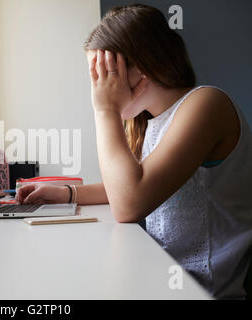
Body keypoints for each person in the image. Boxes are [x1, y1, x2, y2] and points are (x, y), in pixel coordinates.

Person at [15, 4, 252, 299]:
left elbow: (128, 204)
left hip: (202, 291)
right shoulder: (151, 122)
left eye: (102, 75)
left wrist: (105, 109)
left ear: (140, 68)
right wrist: (68, 193)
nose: (97, 87)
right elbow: (131, 187)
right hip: (160, 278)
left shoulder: (206, 104)